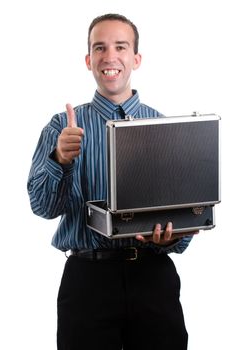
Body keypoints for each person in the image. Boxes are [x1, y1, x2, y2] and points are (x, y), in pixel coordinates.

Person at [27, 13, 195, 350]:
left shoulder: (164, 127)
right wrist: (60, 159)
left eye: (120, 46)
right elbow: (42, 207)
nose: (110, 56)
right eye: (99, 48)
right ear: (89, 60)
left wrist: (170, 238)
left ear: (136, 58)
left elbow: (182, 225)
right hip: (87, 280)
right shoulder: (61, 127)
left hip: (153, 278)